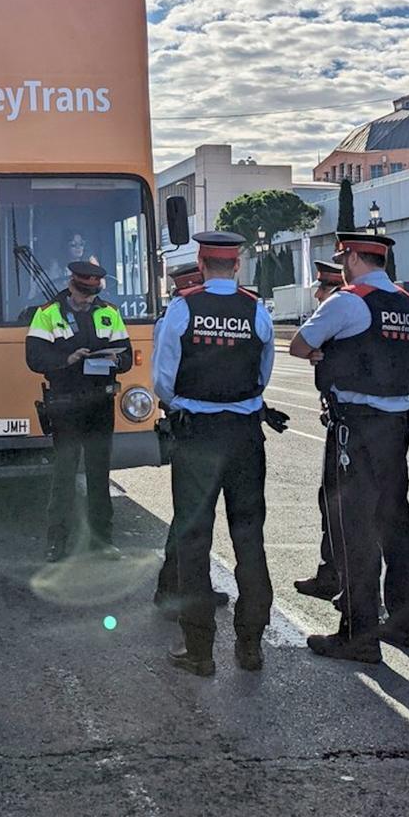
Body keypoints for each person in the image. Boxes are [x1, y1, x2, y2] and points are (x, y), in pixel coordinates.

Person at [288, 232, 409, 663]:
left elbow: (299, 345)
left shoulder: (349, 300)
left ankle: (357, 634)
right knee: (396, 524)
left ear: (354, 258)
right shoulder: (405, 302)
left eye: (343, 256)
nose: (342, 263)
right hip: (396, 425)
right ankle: (403, 623)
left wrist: (324, 354)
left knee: (353, 528)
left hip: (357, 428)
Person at [152, 231, 274, 676]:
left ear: (201, 264)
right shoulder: (256, 310)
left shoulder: (183, 308)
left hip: (196, 435)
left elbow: (163, 379)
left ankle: (199, 650)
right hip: (244, 435)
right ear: (237, 265)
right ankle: (251, 645)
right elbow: (263, 376)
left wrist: (186, 401)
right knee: (249, 539)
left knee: (193, 542)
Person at [26, 259, 133, 562]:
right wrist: (67, 359)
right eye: (83, 292)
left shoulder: (109, 312)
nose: (87, 299)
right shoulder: (47, 314)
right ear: (72, 285)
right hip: (66, 403)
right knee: (64, 474)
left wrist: (116, 361)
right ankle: (56, 543)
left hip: (100, 403)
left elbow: (125, 355)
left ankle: (102, 541)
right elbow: (34, 358)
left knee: (100, 475)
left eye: (92, 293)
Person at [153, 262, 228, 618]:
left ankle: (183, 586)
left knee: (195, 513)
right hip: (189, 422)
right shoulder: (174, 317)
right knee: (192, 515)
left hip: (190, 419)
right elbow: (163, 379)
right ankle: (174, 591)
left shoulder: (178, 316)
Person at [293, 257, 349, 600]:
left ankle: (346, 583)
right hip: (339, 416)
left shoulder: (343, 309)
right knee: (330, 499)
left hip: (350, 422)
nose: (317, 294)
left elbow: (299, 344)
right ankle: (331, 574)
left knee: (341, 502)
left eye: (322, 287)